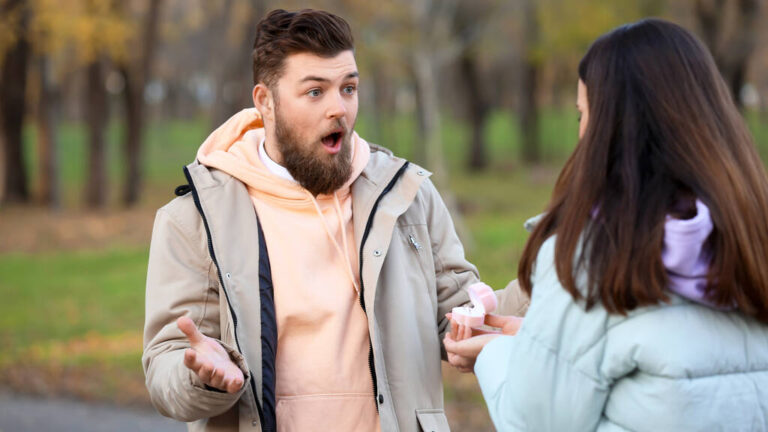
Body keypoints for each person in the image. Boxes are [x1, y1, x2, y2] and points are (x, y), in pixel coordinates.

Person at [142, 8, 529, 432]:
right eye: (315, 92)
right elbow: (168, 362)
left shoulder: (407, 197)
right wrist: (201, 377)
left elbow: (461, 314)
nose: (339, 109)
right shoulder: (196, 219)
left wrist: (550, 274)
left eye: (349, 88)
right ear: (265, 102)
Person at [444, 18, 768, 431]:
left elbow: (533, 421)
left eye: (583, 113)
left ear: (611, 125)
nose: (581, 133)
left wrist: (493, 354)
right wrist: (534, 341)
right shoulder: (750, 236)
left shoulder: (593, 255)